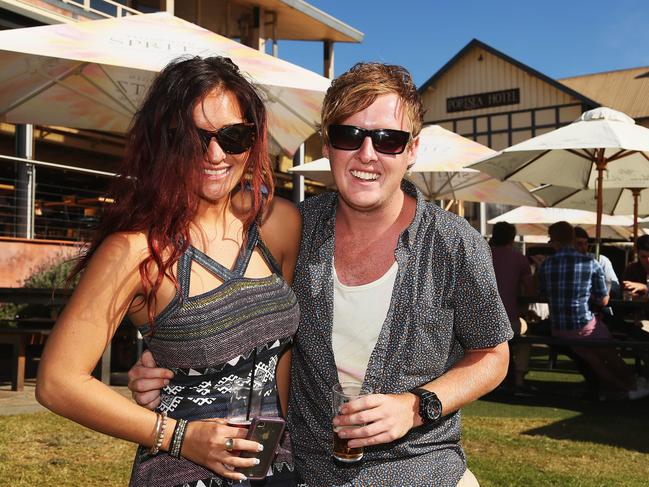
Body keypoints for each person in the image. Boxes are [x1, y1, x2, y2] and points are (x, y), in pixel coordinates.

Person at [130, 62, 513, 486]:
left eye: (388, 140)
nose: (367, 154)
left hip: (421, 469)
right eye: (349, 135)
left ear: (412, 149)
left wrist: (416, 406)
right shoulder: (290, 229)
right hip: (307, 471)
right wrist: (169, 362)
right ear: (327, 145)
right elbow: (234, 314)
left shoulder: (455, 244)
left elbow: (493, 354)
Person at [35, 56, 301, 486]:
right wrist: (180, 437)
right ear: (163, 142)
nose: (215, 154)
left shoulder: (277, 226)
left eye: (233, 136)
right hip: (182, 471)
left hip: (275, 467)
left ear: (253, 140)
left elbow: (280, 351)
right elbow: (56, 381)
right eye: (192, 138)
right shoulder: (135, 250)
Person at [537, 221, 647, 400]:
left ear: (554, 241)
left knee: (595, 361)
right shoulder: (590, 262)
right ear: (573, 238)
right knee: (612, 356)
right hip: (584, 324)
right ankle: (632, 386)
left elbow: (542, 295)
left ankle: (624, 389)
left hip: (559, 327)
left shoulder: (546, 265)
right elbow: (604, 300)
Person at [489, 222, 534, 393]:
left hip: (481, 321)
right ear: (512, 238)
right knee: (526, 337)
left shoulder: (483, 255)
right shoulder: (519, 259)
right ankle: (519, 380)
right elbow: (531, 291)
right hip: (508, 321)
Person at [573, 226, 620, 297]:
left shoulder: (600, 260)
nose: (583, 247)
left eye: (585, 243)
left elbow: (615, 287)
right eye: (579, 244)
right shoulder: (564, 263)